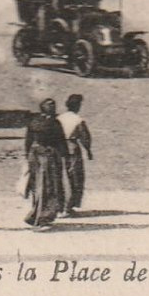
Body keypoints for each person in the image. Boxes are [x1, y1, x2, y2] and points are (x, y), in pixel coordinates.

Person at [22, 98, 67, 229]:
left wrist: (28, 157)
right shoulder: (54, 123)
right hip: (48, 157)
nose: (53, 107)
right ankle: (42, 218)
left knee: (38, 187)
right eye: (51, 106)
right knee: (49, 187)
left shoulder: (34, 121)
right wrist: (65, 157)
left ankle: (36, 215)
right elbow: (61, 141)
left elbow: (28, 141)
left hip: (35, 155)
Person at [57, 93, 93, 215]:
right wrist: (88, 150)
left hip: (58, 148)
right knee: (74, 177)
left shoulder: (59, 118)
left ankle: (60, 206)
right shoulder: (78, 120)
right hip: (72, 148)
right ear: (77, 106)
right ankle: (69, 207)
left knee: (61, 177)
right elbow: (85, 137)